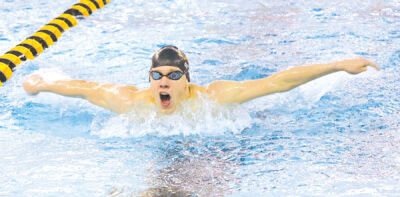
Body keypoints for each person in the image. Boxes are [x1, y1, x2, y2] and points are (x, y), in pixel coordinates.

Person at [23, 45, 380, 114]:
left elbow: (278, 83)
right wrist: (43, 84)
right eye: (157, 76)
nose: (164, 82)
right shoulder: (130, 101)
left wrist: (337, 65)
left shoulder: (213, 98)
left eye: (173, 75)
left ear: (187, 81)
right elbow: (83, 89)